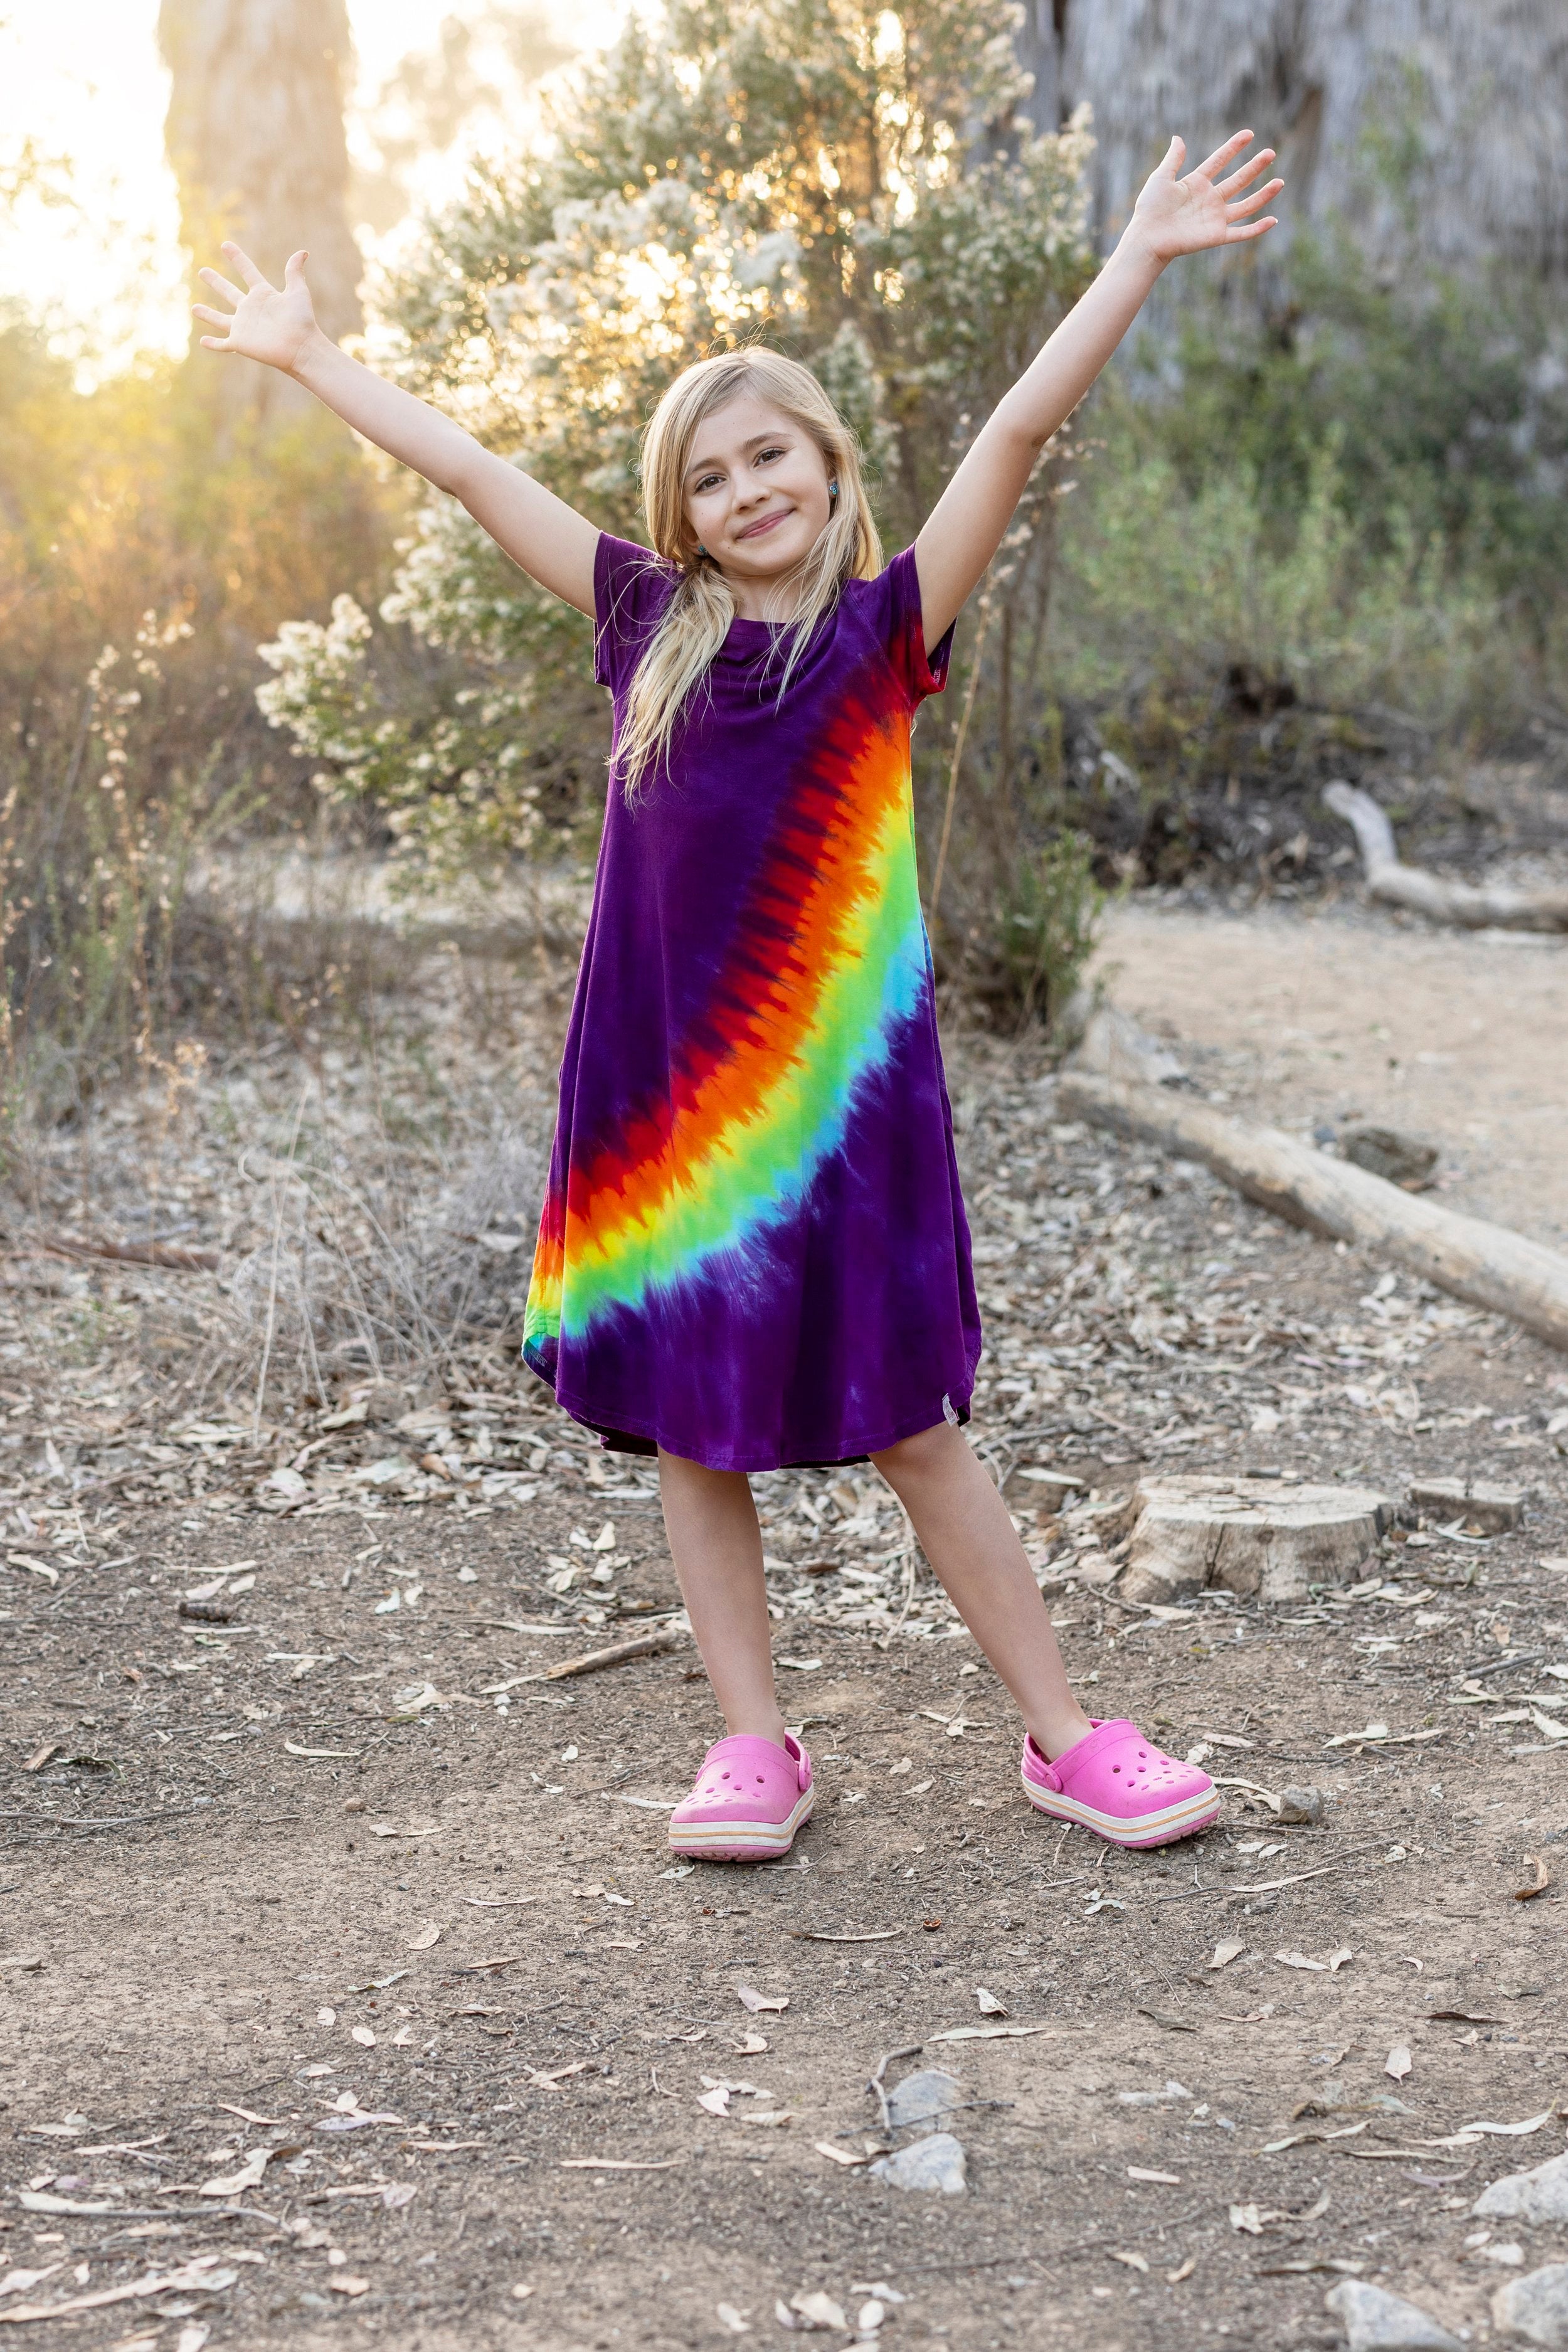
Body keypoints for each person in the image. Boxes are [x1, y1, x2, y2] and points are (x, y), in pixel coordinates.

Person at [197, 127, 1280, 1863]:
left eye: (768, 454)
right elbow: (477, 477)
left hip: (845, 1122)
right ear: (674, 514)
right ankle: (752, 1748)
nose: (743, 491)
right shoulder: (647, 624)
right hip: (669, 1114)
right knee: (693, 1442)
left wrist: (1133, 258)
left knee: (915, 1434)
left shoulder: (883, 635)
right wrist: (317, 360)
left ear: (830, 465)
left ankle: (1065, 1734)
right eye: (707, 476)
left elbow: (1013, 428)